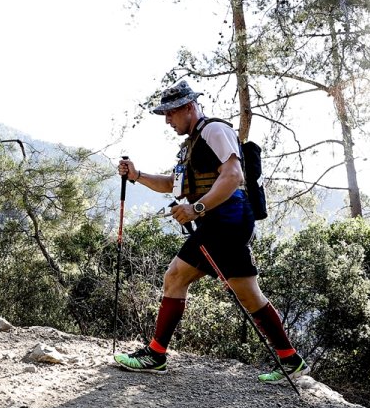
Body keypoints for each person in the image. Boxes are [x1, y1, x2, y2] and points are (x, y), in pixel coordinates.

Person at [113, 80, 309, 384]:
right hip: (225, 220)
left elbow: (233, 175)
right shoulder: (191, 144)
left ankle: (156, 353)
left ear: (189, 107)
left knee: (175, 276)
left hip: (225, 219)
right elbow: (173, 185)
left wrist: (197, 209)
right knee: (249, 294)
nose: (167, 120)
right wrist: (137, 175)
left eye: (171, 113)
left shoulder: (215, 131)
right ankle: (291, 359)